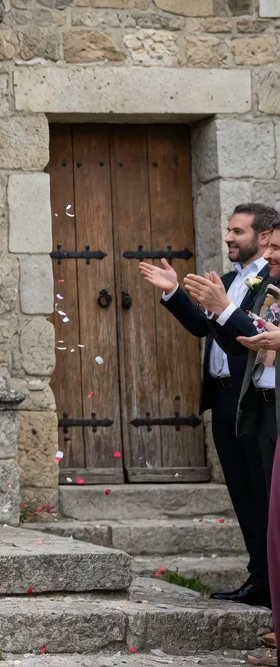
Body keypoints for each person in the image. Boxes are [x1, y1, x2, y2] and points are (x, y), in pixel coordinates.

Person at [140, 203, 279, 606]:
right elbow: (204, 327)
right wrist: (173, 292)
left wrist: (223, 307)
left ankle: (269, 581)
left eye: (238, 231)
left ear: (263, 236)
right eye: (229, 230)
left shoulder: (270, 282)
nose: (228, 237)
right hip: (222, 398)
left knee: (263, 490)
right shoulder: (230, 279)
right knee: (242, 490)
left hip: (252, 399)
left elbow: (246, 333)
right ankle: (260, 578)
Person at [199, 215, 280, 667]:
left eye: (276, 248)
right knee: (262, 508)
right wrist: (196, 301)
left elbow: (255, 333)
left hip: (267, 407)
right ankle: (266, 586)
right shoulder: (241, 279)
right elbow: (235, 336)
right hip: (251, 402)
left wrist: (225, 310)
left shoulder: (267, 281)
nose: (270, 257)